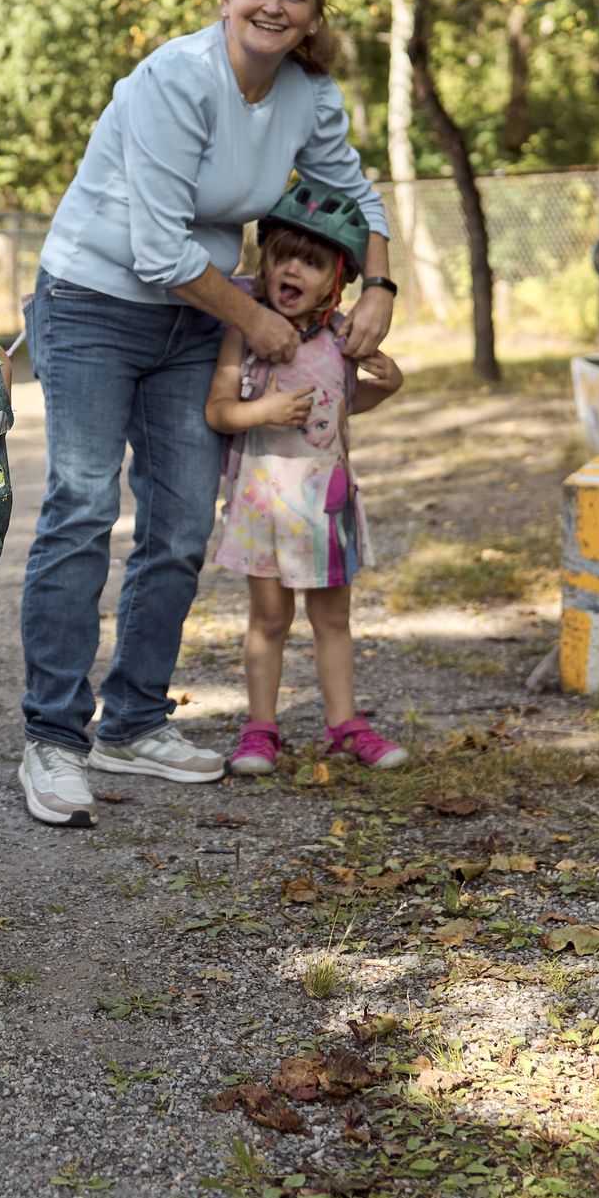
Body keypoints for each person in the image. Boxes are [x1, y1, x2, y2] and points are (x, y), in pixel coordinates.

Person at [18, 0, 397, 828]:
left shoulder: (308, 94)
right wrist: (263, 321)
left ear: (311, 16)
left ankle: (135, 721)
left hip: (199, 310)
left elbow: (357, 197)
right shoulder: (174, 79)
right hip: (95, 299)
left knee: (184, 520)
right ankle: (55, 740)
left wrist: (378, 281)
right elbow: (155, 249)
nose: (273, 6)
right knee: (79, 506)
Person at [206, 185, 411, 776]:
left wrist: (388, 384)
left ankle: (345, 726)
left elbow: (345, 407)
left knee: (332, 619)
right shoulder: (244, 334)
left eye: (312, 261)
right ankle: (260, 729)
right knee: (269, 619)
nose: (292, 268)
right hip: (264, 503)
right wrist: (258, 412)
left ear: (335, 281)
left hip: (326, 505)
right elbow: (219, 411)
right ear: (264, 261)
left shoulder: (341, 339)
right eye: (282, 255)